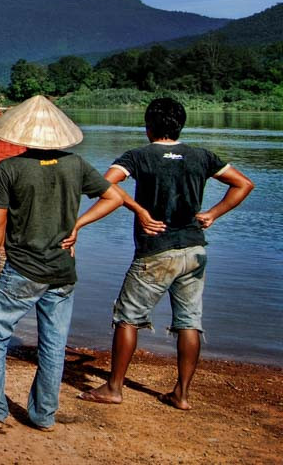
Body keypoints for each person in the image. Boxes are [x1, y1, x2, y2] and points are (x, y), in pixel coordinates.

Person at [0, 95, 131, 431]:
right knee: (53, 344)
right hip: (63, 271)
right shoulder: (75, 165)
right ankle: (42, 415)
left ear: (21, 134)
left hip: (24, 269)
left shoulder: (10, 169)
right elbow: (113, 197)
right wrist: (77, 225)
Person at [76, 97, 253, 410]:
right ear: (180, 125)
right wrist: (213, 213)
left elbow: (103, 185)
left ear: (148, 128)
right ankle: (181, 394)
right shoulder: (201, 156)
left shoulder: (138, 157)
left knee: (128, 318)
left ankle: (114, 387)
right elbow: (243, 184)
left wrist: (137, 208)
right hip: (194, 250)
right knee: (189, 322)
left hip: (156, 251)